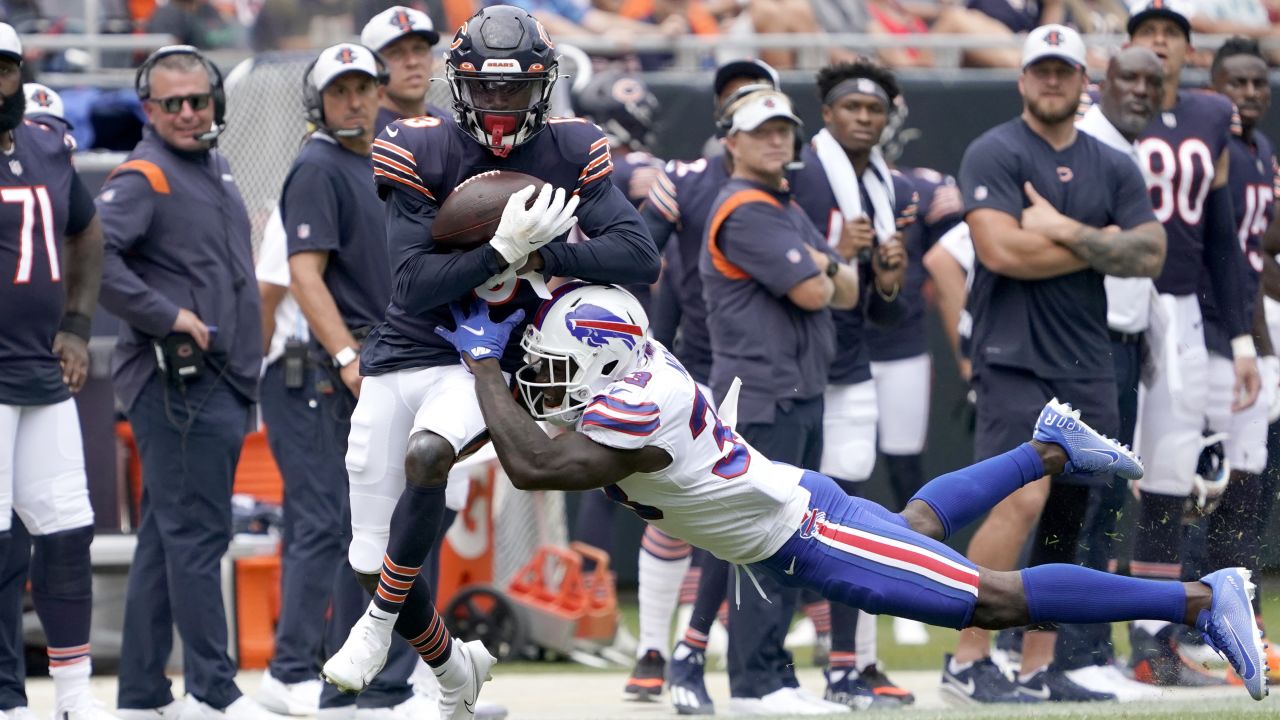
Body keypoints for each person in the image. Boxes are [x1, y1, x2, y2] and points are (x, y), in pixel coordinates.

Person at [434, 282, 1269, 712]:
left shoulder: (636, 408)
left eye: (557, 364)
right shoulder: (633, 371)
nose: (544, 381)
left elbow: (534, 466)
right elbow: (548, 427)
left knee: (991, 601)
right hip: (803, 508)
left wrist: (477, 368)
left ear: (604, 362)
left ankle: (1199, 598)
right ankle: (1048, 447)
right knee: (915, 528)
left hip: (807, 533)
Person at [320, 6, 660, 718]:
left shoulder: (572, 146)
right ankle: (452, 672)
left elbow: (638, 255)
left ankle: (377, 627)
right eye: (487, 88)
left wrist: (545, 254)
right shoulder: (420, 147)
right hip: (402, 348)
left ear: (543, 85)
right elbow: (411, 284)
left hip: (482, 355)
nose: (499, 105)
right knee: (366, 559)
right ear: (460, 83)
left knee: (427, 455)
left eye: (515, 89)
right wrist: (500, 251)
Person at [939, 24, 1167, 704]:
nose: (1051, 80)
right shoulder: (996, 150)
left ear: (1080, 81)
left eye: (1063, 70)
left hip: (1085, 358)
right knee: (1020, 497)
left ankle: (1041, 667)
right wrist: (1104, 246)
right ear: (1022, 78)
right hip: (1012, 355)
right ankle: (967, 657)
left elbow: (1152, 254)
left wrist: (1063, 230)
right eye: (1041, 69)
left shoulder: (1113, 163)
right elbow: (1003, 251)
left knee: (1073, 515)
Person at [96, 46, 277, 720]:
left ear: (216, 103)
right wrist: (166, 315)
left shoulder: (217, 168)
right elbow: (91, 254)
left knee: (167, 538)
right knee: (199, 536)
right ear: (149, 108)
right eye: (171, 103)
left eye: (198, 100)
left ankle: (143, 696)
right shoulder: (146, 175)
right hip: (177, 384)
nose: (187, 112)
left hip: (219, 382)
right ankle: (214, 690)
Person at [255, 43, 432, 720]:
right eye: (341, 91)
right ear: (319, 102)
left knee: (365, 525)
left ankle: (358, 678)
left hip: (372, 366)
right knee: (326, 522)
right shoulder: (318, 163)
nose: (355, 101)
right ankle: (294, 671)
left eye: (365, 88)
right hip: (321, 374)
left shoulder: (378, 161)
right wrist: (347, 357)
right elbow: (298, 275)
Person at [698, 86, 863, 716]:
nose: (776, 139)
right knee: (764, 541)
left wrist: (825, 268)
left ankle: (772, 676)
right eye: (761, 129)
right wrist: (827, 265)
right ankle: (755, 684)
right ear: (731, 142)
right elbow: (818, 293)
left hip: (794, 392)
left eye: (783, 128)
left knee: (788, 539)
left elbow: (845, 291)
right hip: (763, 397)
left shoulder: (780, 205)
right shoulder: (745, 208)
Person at [633, 58, 782, 710]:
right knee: (672, 508)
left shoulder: (796, 185)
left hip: (765, 367)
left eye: (762, 95)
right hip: (696, 362)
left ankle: (710, 649)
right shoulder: (686, 181)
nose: (748, 103)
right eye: (736, 95)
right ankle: (654, 649)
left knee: (751, 512)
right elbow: (635, 255)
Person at [1124, 1, 1260, 687]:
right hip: (1114, 304)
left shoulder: (1210, 117)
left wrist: (1239, 338)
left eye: (1170, 35)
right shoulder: (1102, 109)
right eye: (1146, 35)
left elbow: (1221, 237)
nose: (1158, 45)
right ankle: (1059, 638)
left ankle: (1150, 640)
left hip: (1181, 307)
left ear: (1185, 49)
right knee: (1095, 473)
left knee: (1172, 478)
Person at [787, 58, 915, 709]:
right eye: (851, 108)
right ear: (826, 114)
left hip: (852, 360)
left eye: (874, 110)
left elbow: (883, 302)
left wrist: (887, 269)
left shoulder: (881, 182)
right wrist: (839, 246)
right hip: (793, 369)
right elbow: (781, 263)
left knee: (854, 520)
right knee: (790, 518)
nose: (864, 118)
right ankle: (719, 646)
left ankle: (855, 662)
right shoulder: (801, 173)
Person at [0, 23, 112, 720]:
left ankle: (71, 696)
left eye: (5, 69)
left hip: (39, 372)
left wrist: (75, 322)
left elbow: (86, 229)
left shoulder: (45, 144)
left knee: (68, 530)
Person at [1204, 35, 1280, 684]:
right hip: (1212, 334)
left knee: (1249, 486)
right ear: (1213, 82)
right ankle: (1192, 625)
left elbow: (1260, 251)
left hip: (1250, 336)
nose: (1250, 93)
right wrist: (1245, 338)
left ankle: (1242, 624)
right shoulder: (1213, 149)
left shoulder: (1261, 150)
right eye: (1237, 82)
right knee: (1203, 485)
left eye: (1259, 82)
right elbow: (1220, 258)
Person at [359, 5, 446, 132]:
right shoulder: (363, 135)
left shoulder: (450, 123)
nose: (412, 62)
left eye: (419, 49)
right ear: (374, 66)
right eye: (396, 53)